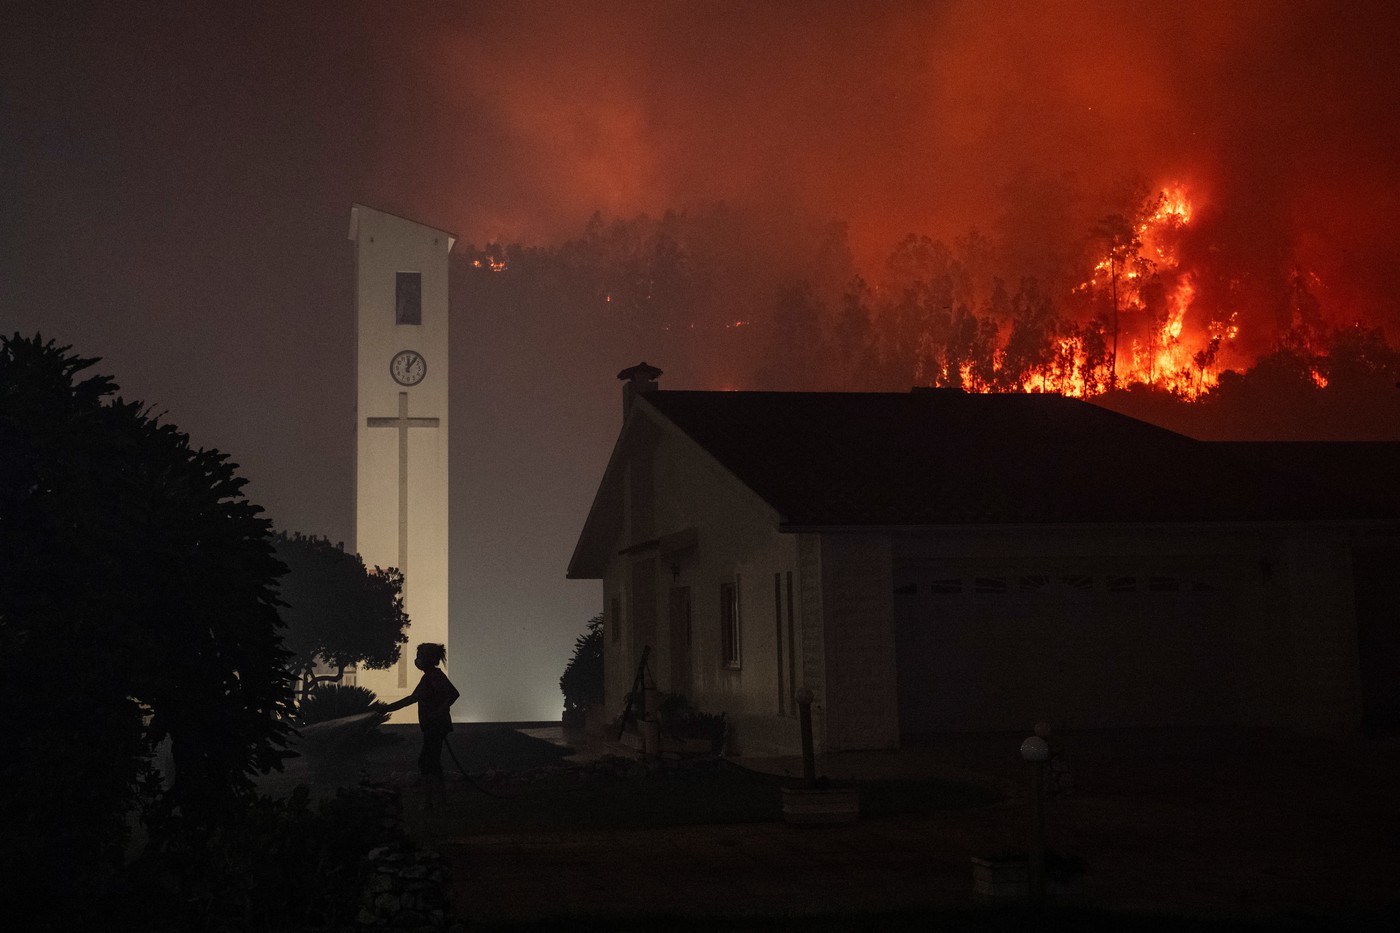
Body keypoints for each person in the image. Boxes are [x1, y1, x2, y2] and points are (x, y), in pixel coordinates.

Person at [381, 643, 460, 810]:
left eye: (420, 655)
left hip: (435, 726)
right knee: (431, 762)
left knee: (427, 762)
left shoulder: (435, 676)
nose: (417, 659)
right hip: (432, 726)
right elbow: (411, 699)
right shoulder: (428, 678)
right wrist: (386, 708)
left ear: (429, 658)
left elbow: (453, 694)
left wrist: (439, 711)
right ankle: (436, 801)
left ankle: (432, 802)